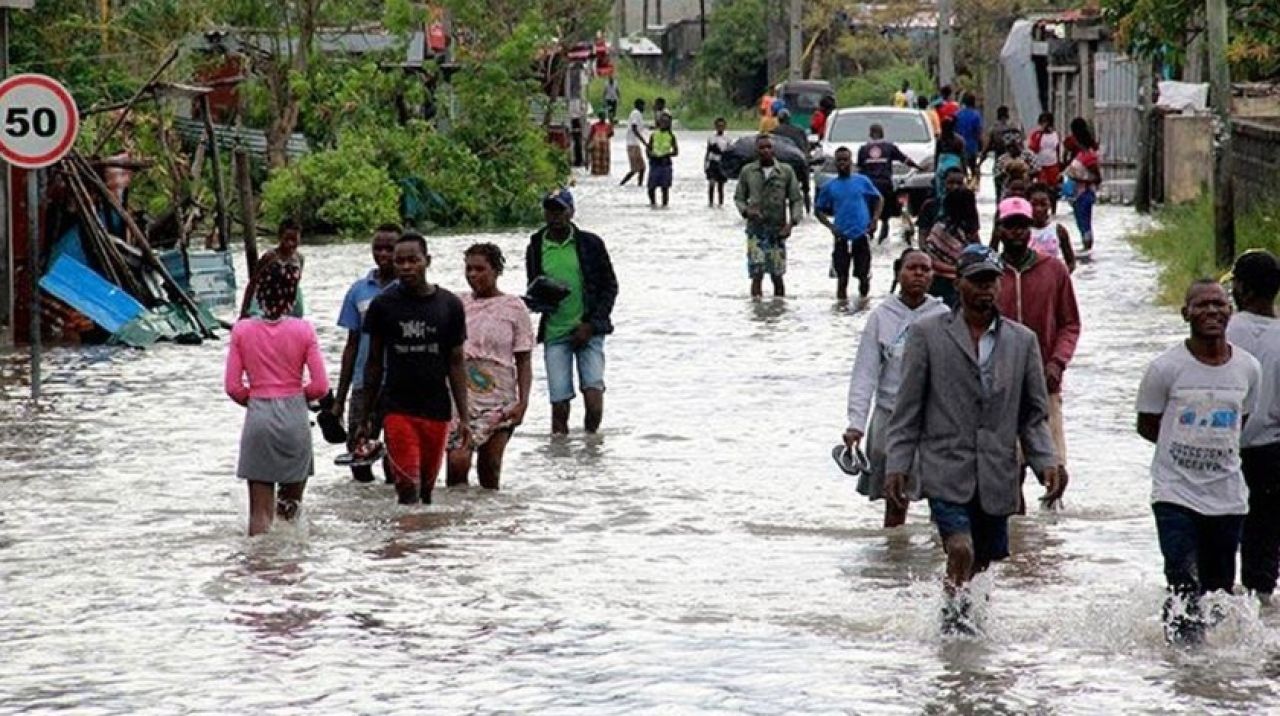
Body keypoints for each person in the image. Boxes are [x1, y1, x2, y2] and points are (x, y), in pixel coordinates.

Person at [885, 244, 1062, 635]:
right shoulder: (928, 334)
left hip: (997, 471)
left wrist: (1046, 462)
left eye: (991, 281)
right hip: (946, 466)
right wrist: (897, 463)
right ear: (958, 284)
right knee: (960, 548)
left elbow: (1033, 415)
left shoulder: (1022, 341)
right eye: (976, 281)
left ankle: (964, 628)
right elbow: (908, 408)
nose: (985, 290)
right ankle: (953, 619)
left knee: (982, 561)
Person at [1136, 279, 1261, 644]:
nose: (1211, 311)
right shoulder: (1164, 368)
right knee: (1181, 576)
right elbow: (1148, 425)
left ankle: (1208, 667)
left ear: (1231, 312)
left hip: (1227, 495)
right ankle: (1184, 659)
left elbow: (1242, 421)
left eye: (1219, 305)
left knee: (1218, 590)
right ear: (1185, 313)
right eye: (1201, 305)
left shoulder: (1249, 368)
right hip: (1174, 492)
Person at [360, 232, 470, 506]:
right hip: (398, 408)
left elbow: (456, 362)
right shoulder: (383, 306)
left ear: (427, 261)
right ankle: (403, 544)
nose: (406, 267)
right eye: (400, 262)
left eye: (413, 260)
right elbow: (373, 363)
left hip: (437, 409)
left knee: (428, 491)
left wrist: (464, 416)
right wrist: (366, 415)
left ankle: (423, 547)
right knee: (407, 486)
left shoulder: (449, 305)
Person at [844, 248, 948, 527]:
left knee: (941, 499)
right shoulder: (881, 317)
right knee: (894, 495)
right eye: (912, 268)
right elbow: (865, 372)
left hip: (931, 419)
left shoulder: (942, 315)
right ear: (898, 273)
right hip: (890, 417)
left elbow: (954, 375)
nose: (918, 274)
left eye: (925, 269)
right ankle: (894, 557)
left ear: (932, 276)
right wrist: (856, 423)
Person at [224, 261, 329, 536]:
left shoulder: (242, 330)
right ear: (292, 297)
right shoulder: (304, 330)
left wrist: (259, 399)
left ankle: (259, 569)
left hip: (258, 417)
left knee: (259, 514)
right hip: (295, 418)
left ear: (259, 293)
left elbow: (234, 387)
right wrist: (294, 397)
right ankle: (292, 568)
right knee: (291, 510)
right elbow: (320, 387)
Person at [993, 197, 1081, 508]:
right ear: (1000, 229)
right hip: (998, 386)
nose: (1016, 232)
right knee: (1007, 469)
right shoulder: (988, 274)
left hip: (1045, 381)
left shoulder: (1054, 270)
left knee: (1054, 468)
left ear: (1030, 229)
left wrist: (1057, 363)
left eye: (1022, 226)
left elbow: (1070, 324)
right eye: (1010, 226)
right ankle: (1015, 538)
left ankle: (1050, 544)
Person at [525, 189, 619, 435]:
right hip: (555, 332)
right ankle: (560, 458)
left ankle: (591, 446)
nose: (554, 216)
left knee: (594, 397)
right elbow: (534, 288)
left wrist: (591, 324)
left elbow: (610, 286)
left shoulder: (591, 244)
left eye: (560, 210)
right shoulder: (536, 245)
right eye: (550, 210)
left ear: (571, 212)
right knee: (559, 404)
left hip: (589, 331)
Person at [445, 244, 535, 490]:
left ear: (496, 271)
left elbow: (524, 359)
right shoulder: (456, 304)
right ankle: (455, 521)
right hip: (461, 396)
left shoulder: (514, 308)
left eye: (480, 269)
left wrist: (523, 402)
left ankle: (491, 521)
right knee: (457, 462)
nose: (473, 275)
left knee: (490, 465)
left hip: (500, 398)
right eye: (469, 269)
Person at [1225, 250, 1280, 604]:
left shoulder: (1221, 332)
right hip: (1273, 454)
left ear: (1242, 290)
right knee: (1264, 548)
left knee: (1219, 539)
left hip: (1223, 449)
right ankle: (1263, 626)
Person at [332, 224, 400, 483]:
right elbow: (351, 345)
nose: (383, 254)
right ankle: (365, 510)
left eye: (389, 248)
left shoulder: (408, 290)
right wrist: (340, 398)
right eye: (377, 248)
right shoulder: (359, 290)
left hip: (398, 384)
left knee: (396, 457)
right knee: (357, 451)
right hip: (363, 383)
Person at [735, 134, 805, 298]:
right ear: (756, 151)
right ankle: (757, 311)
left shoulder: (785, 171)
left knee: (777, 275)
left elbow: (796, 199)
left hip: (777, 231)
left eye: (768, 147)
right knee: (756, 274)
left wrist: (792, 223)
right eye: (762, 148)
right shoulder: (748, 171)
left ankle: (778, 310)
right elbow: (739, 198)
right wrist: (746, 211)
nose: (766, 150)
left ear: (773, 149)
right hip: (755, 231)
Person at [815, 146, 883, 306]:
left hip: (861, 234)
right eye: (839, 160)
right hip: (842, 236)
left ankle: (863, 304)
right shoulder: (829, 186)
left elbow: (879, 199)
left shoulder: (862, 181)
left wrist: (874, 220)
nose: (843, 163)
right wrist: (831, 227)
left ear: (851, 162)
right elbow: (818, 210)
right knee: (842, 277)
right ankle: (841, 308)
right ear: (835, 163)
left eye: (846, 160)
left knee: (863, 275)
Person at [920, 173, 980, 308]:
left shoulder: (968, 231)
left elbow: (978, 253)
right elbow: (931, 261)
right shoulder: (940, 230)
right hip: (941, 285)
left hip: (962, 285)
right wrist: (958, 269)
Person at [857, 123, 922, 243]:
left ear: (870, 134)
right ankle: (882, 241)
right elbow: (905, 160)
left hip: (868, 187)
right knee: (885, 217)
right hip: (885, 185)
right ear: (882, 133)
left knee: (869, 215)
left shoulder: (863, 149)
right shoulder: (889, 147)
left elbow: (860, 169)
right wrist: (919, 167)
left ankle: (869, 239)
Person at [239, 220, 306, 319]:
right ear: (279, 237)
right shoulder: (269, 257)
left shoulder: (299, 259)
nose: (290, 244)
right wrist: (244, 312)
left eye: (294, 240)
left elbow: (296, 283)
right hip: (267, 301)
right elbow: (253, 283)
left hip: (290, 301)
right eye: (286, 239)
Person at [1015, 182, 1076, 271]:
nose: (1039, 209)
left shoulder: (1058, 230)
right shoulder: (1021, 230)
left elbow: (1071, 262)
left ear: (1050, 205)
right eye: (1034, 204)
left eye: (1043, 204)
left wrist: (1060, 278)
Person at [1063, 117, 1101, 257]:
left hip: (1084, 194)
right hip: (1077, 195)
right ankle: (1086, 250)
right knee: (1081, 223)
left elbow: (1097, 178)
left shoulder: (1089, 157)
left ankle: (1087, 249)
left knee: (1085, 223)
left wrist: (1076, 179)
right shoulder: (1081, 155)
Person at [1028, 112, 1062, 211]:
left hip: (1053, 164)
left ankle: (1053, 208)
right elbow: (1033, 148)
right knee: (1043, 186)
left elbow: (1058, 149)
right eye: (1042, 122)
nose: (1044, 125)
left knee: (1053, 188)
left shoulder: (1056, 134)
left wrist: (1059, 164)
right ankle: (1043, 207)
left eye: (1046, 122)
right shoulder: (1036, 134)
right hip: (1040, 165)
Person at [645, 111, 679, 207]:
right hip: (655, 164)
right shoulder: (653, 135)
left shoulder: (671, 136)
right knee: (651, 188)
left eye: (666, 121)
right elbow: (648, 148)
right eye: (662, 121)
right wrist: (650, 154)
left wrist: (667, 154)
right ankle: (653, 204)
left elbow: (676, 152)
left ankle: (664, 205)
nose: (664, 123)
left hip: (665, 164)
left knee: (665, 189)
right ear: (659, 122)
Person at [953, 93, 984, 187]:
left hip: (959, 147)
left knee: (961, 168)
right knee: (973, 166)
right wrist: (980, 145)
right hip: (972, 146)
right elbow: (978, 132)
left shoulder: (957, 114)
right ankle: (975, 184)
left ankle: (962, 183)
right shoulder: (976, 115)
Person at [934, 119, 967, 201]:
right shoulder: (959, 140)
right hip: (956, 167)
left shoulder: (940, 140)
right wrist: (965, 171)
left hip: (942, 168)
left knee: (940, 190)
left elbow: (937, 156)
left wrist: (935, 170)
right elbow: (963, 157)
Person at [705, 117, 732, 207]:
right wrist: (705, 164)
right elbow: (708, 151)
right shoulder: (711, 137)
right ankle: (710, 203)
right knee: (711, 184)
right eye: (718, 126)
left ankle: (721, 204)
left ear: (725, 127)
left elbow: (729, 152)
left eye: (722, 126)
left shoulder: (727, 139)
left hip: (722, 163)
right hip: (713, 162)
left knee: (721, 187)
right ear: (715, 126)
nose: (720, 127)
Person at [620, 98, 647, 187]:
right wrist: (645, 143)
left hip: (633, 144)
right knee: (637, 169)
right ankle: (622, 184)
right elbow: (634, 128)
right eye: (643, 106)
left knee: (641, 168)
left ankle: (639, 185)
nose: (644, 108)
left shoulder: (636, 114)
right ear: (639, 105)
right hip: (633, 144)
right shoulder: (636, 113)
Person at [588, 111, 613, 176]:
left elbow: (610, 134)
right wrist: (587, 145)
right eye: (602, 116)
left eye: (604, 116)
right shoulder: (594, 125)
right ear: (599, 117)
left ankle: (604, 175)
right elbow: (590, 136)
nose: (603, 118)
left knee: (605, 164)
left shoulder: (608, 125)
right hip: (596, 148)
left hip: (605, 148)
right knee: (596, 165)